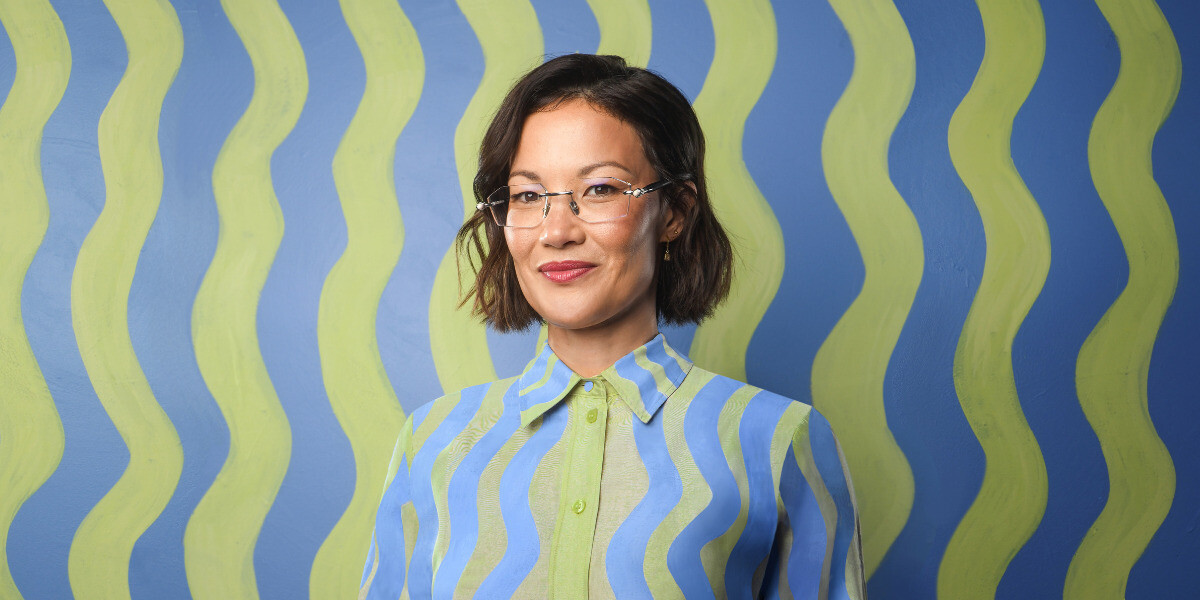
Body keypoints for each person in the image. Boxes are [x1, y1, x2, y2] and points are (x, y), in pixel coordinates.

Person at [360, 54, 865, 599]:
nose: (557, 231)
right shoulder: (432, 440)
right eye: (527, 195)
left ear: (675, 212)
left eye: (600, 189)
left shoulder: (779, 438)